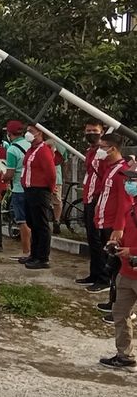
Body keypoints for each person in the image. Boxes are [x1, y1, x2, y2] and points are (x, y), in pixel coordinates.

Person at [99, 166, 137, 372]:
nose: (128, 183)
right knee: (120, 314)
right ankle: (124, 356)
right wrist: (117, 243)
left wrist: (130, 250)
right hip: (125, 273)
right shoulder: (131, 208)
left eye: (133, 180)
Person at [91, 133, 132, 296]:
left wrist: (119, 227)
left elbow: (125, 202)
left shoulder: (122, 171)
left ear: (112, 149)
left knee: (115, 265)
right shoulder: (110, 168)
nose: (99, 150)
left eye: (102, 147)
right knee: (110, 262)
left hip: (112, 225)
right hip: (103, 220)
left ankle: (115, 302)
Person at [19, 124, 57, 270]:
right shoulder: (32, 150)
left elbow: (50, 173)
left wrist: (50, 189)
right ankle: (34, 254)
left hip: (40, 191)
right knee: (32, 223)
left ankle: (42, 257)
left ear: (40, 133)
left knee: (41, 225)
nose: (27, 134)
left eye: (31, 131)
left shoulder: (43, 151)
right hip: (29, 190)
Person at [76, 120, 108, 288]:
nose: (90, 133)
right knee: (91, 239)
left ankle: (103, 278)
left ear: (102, 132)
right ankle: (94, 273)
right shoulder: (90, 151)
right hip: (89, 197)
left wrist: (100, 199)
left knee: (98, 240)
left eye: (94, 130)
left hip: (98, 199)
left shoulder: (104, 152)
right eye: (88, 130)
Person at [3, 120, 32, 261]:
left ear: (9, 133)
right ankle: (35, 251)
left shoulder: (12, 150)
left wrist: (3, 177)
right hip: (32, 188)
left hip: (19, 189)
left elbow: (9, 173)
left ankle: (26, 252)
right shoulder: (31, 145)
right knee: (33, 221)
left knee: (22, 221)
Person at [46, 139, 68, 235]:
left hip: (49, 177)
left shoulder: (43, 143)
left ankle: (55, 222)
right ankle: (56, 221)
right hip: (56, 177)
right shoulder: (61, 144)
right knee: (57, 201)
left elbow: (64, 159)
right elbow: (65, 160)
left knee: (49, 200)